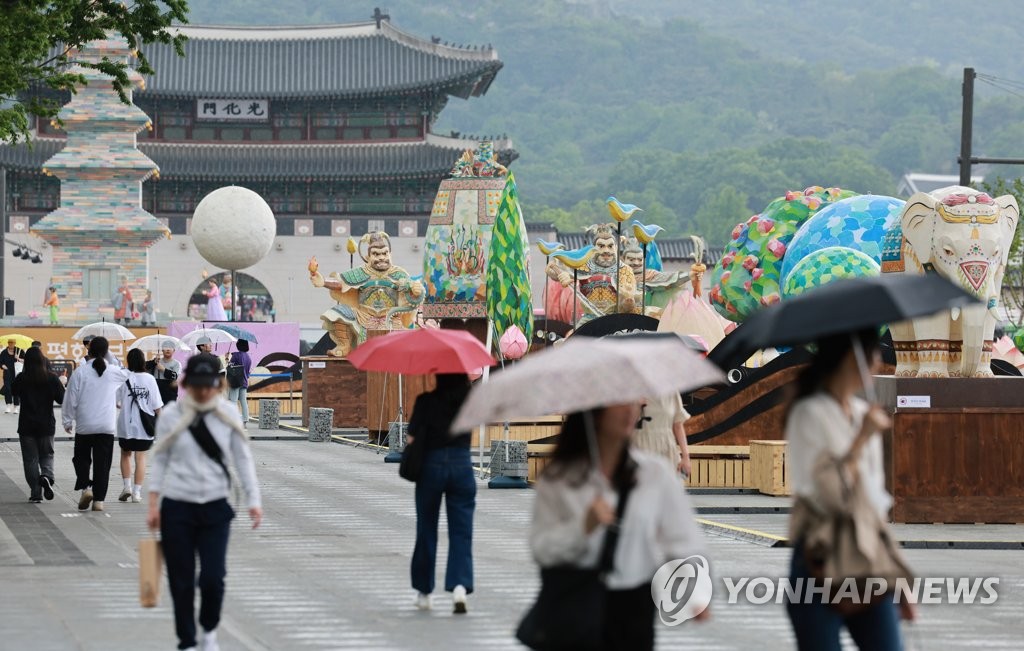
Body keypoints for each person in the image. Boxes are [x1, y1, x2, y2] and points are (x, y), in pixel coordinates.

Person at [530, 403, 708, 650]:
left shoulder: (654, 474)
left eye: (634, 402)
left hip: (633, 607)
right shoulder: (559, 478)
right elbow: (542, 548)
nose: (630, 410)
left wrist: (694, 591)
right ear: (594, 411)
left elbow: (682, 537)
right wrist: (583, 527)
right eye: (619, 403)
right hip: (575, 602)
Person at [784, 330, 915, 650]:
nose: (879, 364)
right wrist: (860, 440)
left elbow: (873, 505)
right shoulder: (808, 414)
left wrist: (899, 581)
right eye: (873, 355)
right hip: (820, 562)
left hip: (866, 562)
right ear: (850, 358)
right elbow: (831, 497)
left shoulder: (862, 414)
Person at [147, 353, 263, 651]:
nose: (202, 392)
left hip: (215, 506)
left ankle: (208, 629)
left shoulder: (228, 413)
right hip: (177, 506)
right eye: (196, 385)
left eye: (208, 385)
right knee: (181, 579)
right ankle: (186, 640)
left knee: (213, 578)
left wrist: (254, 499)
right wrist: (153, 503)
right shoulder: (172, 415)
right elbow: (159, 460)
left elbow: (242, 457)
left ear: (219, 384)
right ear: (185, 383)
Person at [407, 373, 475, 614]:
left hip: (431, 466)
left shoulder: (426, 400)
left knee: (426, 528)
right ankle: (459, 586)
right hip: (462, 466)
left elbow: (411, 437)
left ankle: (424, 592)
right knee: (461, 531)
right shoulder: (470, 401)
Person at [63, 336, 129, 512]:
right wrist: (111, 356)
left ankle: (86, 488)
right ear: (106, 352)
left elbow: (70, 398)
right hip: (106, 425)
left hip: (85, 424)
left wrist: (67, 420)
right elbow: (127, 373)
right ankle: (99, 500)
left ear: (88, 350)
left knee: (81, 458)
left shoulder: (80, 372)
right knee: (103, 463)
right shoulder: (113, 370)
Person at [12, 347, 65, 502]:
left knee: (30, 460)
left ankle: (36, 494)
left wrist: (17, 373)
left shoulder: (22, 378)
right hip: (46, 425)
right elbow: (62, 399)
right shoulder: (51, 378)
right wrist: (61, 383)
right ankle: (47, 476)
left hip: (26, 426)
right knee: (47, 455)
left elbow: (11, 391)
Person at [116, 349, 163, 503]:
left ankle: (126, 487)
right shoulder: (150, 379)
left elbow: (117, 402)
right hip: (145, 425)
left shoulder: (124, 378)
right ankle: (136, 493)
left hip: (126, 424)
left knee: (125, 454)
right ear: (143, 361)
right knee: (141, 457)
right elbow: (157, 406)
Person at [634, 392, 692, 477]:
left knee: (668, 486)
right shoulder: (633, 391)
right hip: (639, 446)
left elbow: (678, 425)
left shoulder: (672, 393)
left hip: (666, 447)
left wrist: (686, 457)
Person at [227, 340, 252, 427]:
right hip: (244, 381)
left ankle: (235, 420)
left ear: (239, 345)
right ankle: (245, 421)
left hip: (235, 381)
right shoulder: (248, 357)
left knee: (233, 400)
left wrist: (227, 359)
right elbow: (248, 372)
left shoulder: (236, 355)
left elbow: (230, 367)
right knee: (243, 401)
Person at [0, 339, 24, 414]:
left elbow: (25, 360)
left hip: (17, 373)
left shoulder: (19, 351)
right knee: (7, 388)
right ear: (8, 343)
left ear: (15, 343)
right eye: (9, 343)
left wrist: (18, 358)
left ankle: (16, 406)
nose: (11, 344)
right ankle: (8, 405)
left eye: (12, 343)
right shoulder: (4, 352)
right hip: (7, 373)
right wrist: (2, 366)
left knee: (16, 389)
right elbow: (0, 362)